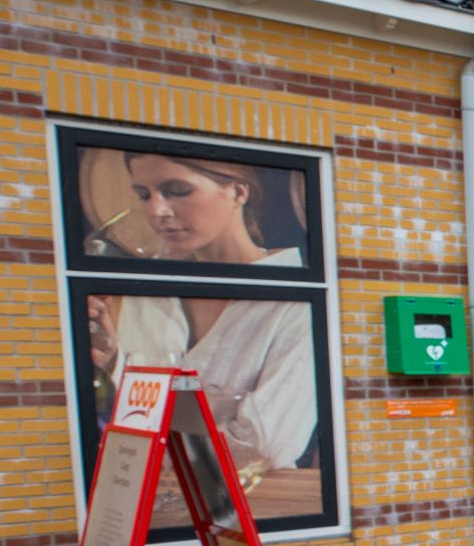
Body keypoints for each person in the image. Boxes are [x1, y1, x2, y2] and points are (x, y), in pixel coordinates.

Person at [85, 153, 316, 473]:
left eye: (177, 191)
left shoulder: (300, 298)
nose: (156, 211)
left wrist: (156, 444)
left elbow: (268, 446)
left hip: (255, 502)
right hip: (155, 500)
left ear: (238, 193)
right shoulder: (151, 292)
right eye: (144, 195)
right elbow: (135, 415)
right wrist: (113, 360)